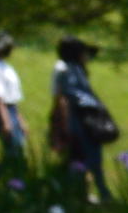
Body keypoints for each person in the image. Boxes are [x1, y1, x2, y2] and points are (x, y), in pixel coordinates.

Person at [46, 37, 117, 196]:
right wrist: (63, 126)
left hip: (83, 120)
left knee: (80, 159)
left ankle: (83, 193)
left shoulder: (75, 70)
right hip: (80, 121)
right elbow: (64, 98)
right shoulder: (67, 71)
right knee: (86, 158)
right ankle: (100, 193)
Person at [0, 34, 27, 166]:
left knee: (17, 148)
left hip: (11, 109)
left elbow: (12, 98)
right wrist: (6, 122)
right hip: (2, 111)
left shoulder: (4, 66)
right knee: (14, 150)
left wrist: (20, 119)